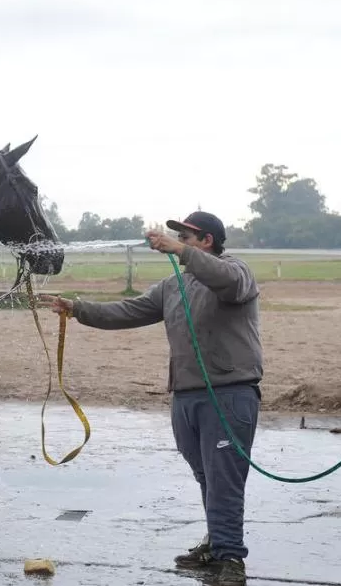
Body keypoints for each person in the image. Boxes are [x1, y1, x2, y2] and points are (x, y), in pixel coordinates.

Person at [39, 211, 261, 585]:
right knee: (207, 476)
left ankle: (230, 561)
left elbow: (226, 280)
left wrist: (180, 252)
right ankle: (217, 543)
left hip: (229, 393)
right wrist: (77, 309)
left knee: (224, 480)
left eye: (186, 237)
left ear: (206, 240)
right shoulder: (172, 286)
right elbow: (128, 311)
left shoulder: (236, 272)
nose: (179, 243)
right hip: (186, 397)